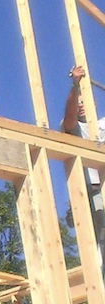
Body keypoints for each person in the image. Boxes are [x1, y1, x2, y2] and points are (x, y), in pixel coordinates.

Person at [61, 65, 105, 273]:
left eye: (83, 102)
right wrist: (75, 86)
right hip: (92, 191)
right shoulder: (74, 128)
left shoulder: (102, 125)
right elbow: (69, 117)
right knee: (98, 246)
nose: (80, 106)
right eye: (77, 102)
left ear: (93, 103)